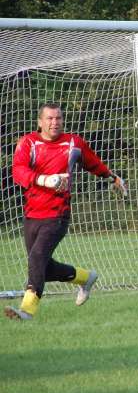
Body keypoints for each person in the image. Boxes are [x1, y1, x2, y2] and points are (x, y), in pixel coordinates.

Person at [4, 102, 127, 321]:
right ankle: (86, 277)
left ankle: (27, 310)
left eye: (58, 118)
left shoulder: (73, 143)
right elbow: (18, 171)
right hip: (32, 214)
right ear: (40, 122)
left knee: (37, 258)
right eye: (50, 119)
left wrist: (112, 177)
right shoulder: (28, 142)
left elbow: (93, 163)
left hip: (57, 214)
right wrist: (44, 179)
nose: (55, 122)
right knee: (44, 267)